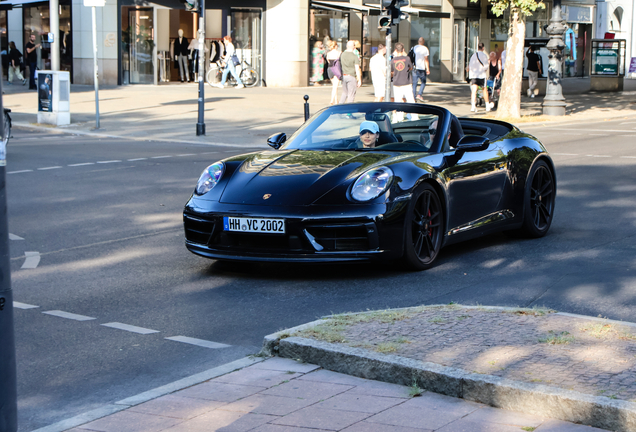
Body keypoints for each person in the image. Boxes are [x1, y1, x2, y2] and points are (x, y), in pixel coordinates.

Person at [469, 42, 490, 112]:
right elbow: (486, 67)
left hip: (474, 75)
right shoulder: (484, 55)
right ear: (483, 48)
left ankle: (473, 106)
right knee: (484, 90)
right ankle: (487, 105)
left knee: (474, 91)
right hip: (481, 75)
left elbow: (470, 66)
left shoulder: (473, 55)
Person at [412, 38, 430, 102]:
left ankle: (413, 97)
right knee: (423, 82)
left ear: (418, 41)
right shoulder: (425, 49)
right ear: (423, 42)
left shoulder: (414, 48)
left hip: (415, 68)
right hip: (422, 68)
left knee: (414, 83)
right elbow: (426, 59)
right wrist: (427, 68)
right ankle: (419, 94)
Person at [326, 41, 341, 105]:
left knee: (335, 86)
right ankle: (332, 100)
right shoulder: (339, 53)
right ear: (336, 46)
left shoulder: (328, 53)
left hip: (330, 69)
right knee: (335, 86)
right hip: (336, 69)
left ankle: (336, 100)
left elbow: (328, 61)